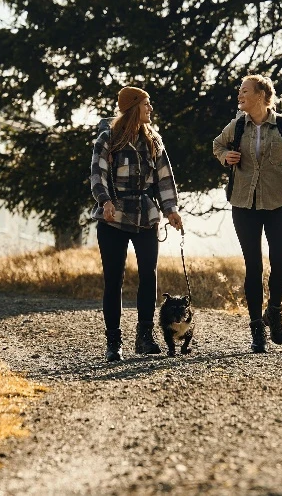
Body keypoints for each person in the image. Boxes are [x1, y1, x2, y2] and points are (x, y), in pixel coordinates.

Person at [213, 74, 282, 352]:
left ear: (261, 95)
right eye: (239, 91)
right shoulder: (236, 126)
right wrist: (226, 157)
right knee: (253, 267)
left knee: (280, 263)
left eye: (244, 91)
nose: (239, 95)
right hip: (243, 205)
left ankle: (275, 310)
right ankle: (257, 327)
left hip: (278, 204)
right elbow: (217, 145)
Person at [90, 85, 184, 362]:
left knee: (148, 275)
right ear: (133, 107)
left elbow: (164, 178)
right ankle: (113, 341)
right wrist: (105, 201)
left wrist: (171, 210)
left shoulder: (154, 139)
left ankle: (144, 336)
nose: (150, 109)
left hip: (146, 216)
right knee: (113, 279)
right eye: (146, 105)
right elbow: (97, 175)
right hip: (113, 218)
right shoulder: (108, 138)